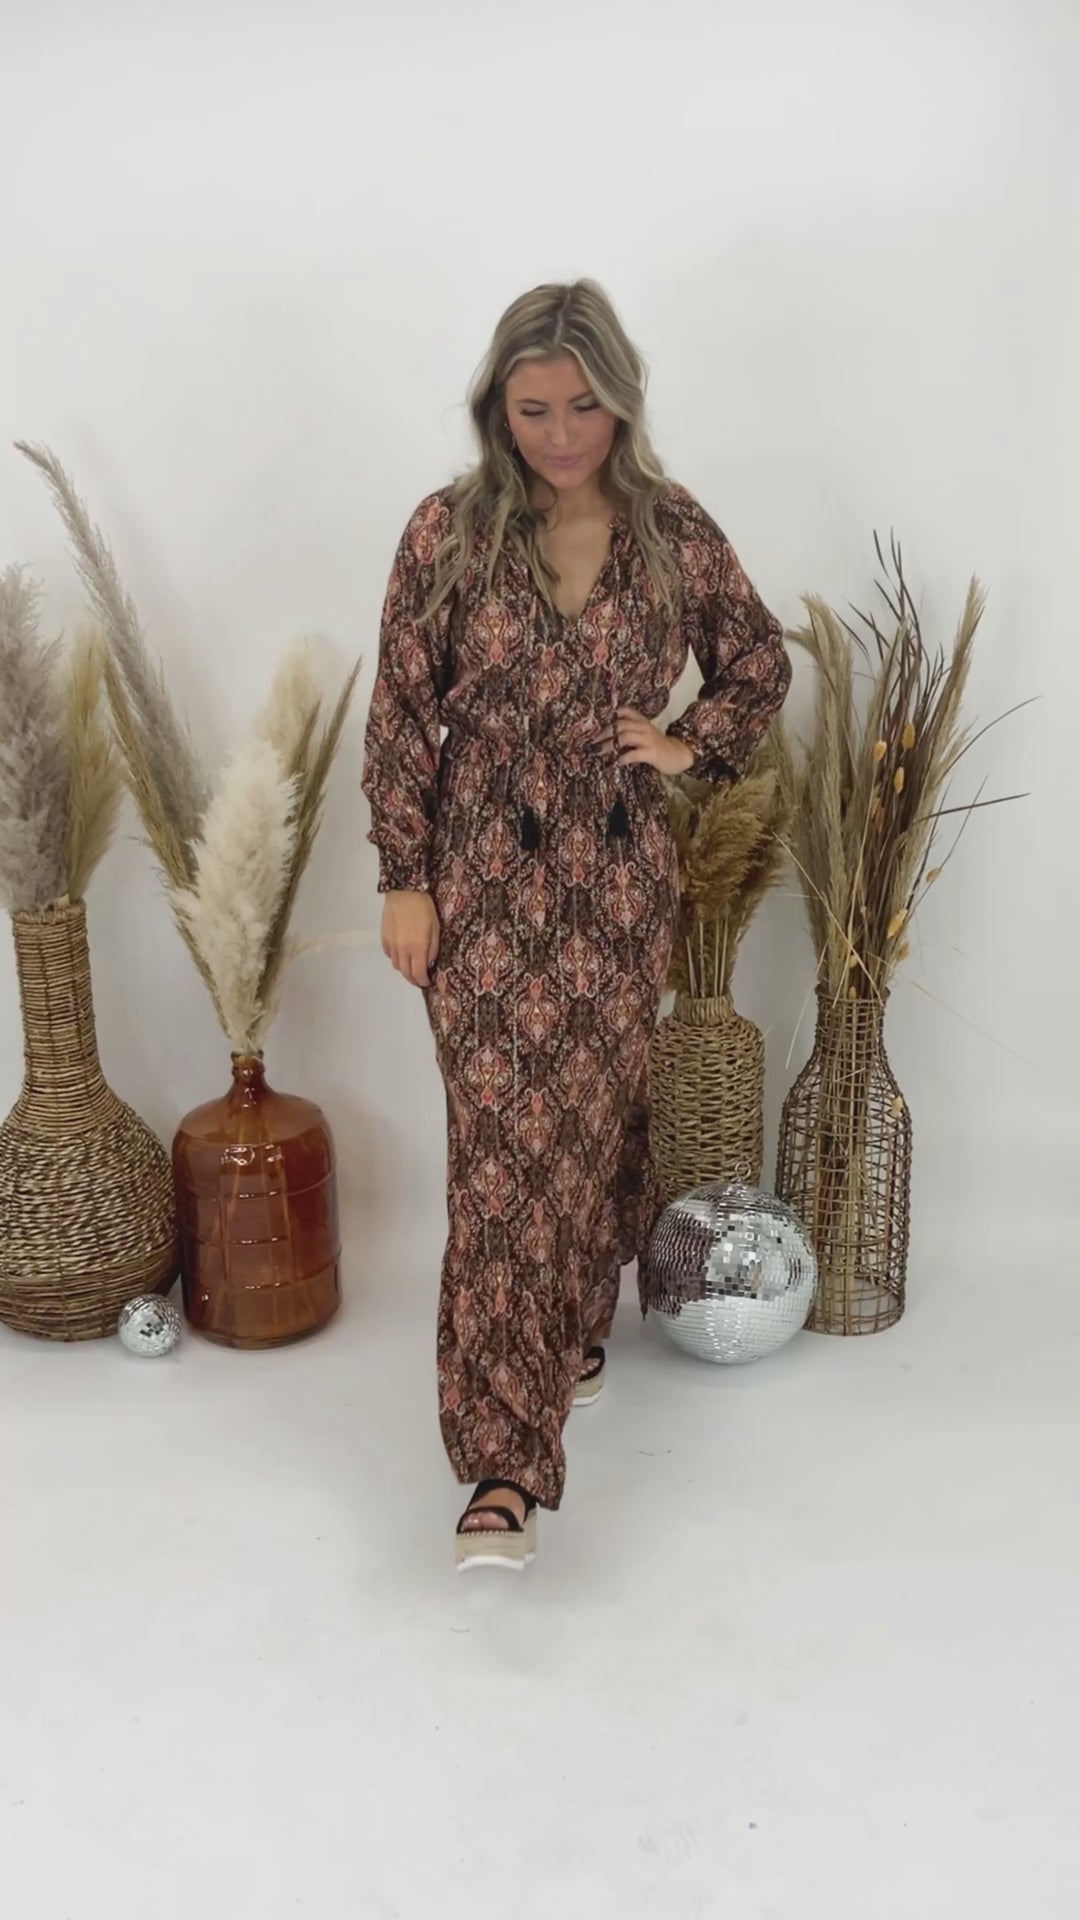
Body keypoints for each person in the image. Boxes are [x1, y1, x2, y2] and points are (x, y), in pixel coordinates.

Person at [361, 280, 791, 1571]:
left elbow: (759, 659)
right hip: (481, 876)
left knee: (595, 1123)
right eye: (533, 407)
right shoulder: (446, 532)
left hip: (614, 879)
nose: (559, 434)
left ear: (623, 402)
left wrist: (687, 744)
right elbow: (400, 711)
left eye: (584, 406)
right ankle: (506, 1462)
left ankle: (576, 1318)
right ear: (497, 407)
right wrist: (403, 876)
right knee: (499, 1154)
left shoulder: (672, 530)